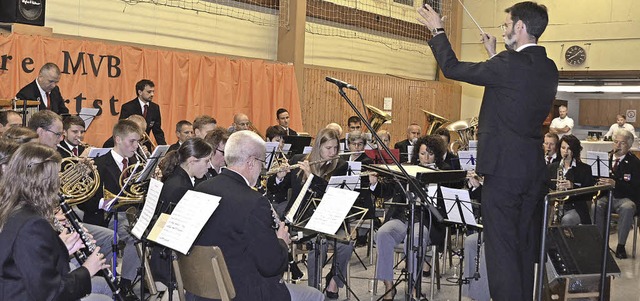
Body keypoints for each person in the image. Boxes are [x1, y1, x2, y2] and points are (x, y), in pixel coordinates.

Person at [418, 2, 559, 300]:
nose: (504, 30)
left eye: (507, 25)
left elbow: (452, 68)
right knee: (521, 247)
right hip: (531, 172)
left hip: (503, 172)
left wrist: (437, 29)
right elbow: (514, 90)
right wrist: (495, 54)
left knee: (502, 251)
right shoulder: (547, 67)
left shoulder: (507, 65)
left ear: (520, 27)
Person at [192, 130, 324, 301]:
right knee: (315, 296)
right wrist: (282, 242)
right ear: (251, 162)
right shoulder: (254, 202)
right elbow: (271, 265)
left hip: (202, 290)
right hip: (242, 292)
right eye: (262, 162)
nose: (262, 168)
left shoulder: (200, 189)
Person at [0, 142, 106, 300]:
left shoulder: (14, 207)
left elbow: (28, 262)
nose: (59, 182)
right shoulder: (32, 224)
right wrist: (87, 270)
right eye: (56, 176)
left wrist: (61, 249)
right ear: (45, 182)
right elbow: (50, 294)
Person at [269, 128, 349, 299]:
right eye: (328, 148)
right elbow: (277, 190)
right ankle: (314, 292)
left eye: (335, 148)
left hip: (328, 219)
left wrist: (311, 177)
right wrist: (280, 177)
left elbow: (330, 195)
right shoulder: (299, 160)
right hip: (299, 220)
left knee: (346, 245)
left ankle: (333, 283)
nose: (332, 152)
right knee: (317, 245)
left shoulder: (340, 166)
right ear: (318, 147)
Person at [374, 135, 450, 300]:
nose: (426, 158)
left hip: (426, 220)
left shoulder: (444, 172)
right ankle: (388, 286)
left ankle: (414, 286)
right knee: (383, 233)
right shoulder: (407, 169)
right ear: (417, 154)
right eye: (423, 154)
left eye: (430, 154)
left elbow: (450, 197)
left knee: (415, 237)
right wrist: (374, 183)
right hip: (402, 217)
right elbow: (387, 190)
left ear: (436, 155)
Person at [78, 119, 143, 298]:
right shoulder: (98, 164)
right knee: (135, 237)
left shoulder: (135, 162)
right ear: (118, 139)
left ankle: (128, 280)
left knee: (144, 232)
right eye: (132, 141)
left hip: (127, 214)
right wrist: (102, 203)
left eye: (138, 141)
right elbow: (84, 202)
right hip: (105, 216)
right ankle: (124, 285)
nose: (136, 146)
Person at [152, 138, 212, 286]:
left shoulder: (178, 178)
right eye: (206, 161)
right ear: (192, 161)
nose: (209, 166)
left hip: (167, 255)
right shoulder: (180, 187)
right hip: (170, 262)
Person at [595, 129, 640, 259]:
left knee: (628, 208)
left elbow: (636, 189)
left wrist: (616, 184)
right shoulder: (605, 159)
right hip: (606, 196)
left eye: (622, 143)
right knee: (595, 205)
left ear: (629, 146)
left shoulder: (635, 163)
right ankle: (600, 243)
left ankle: (621, 245)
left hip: (625, 198)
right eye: (616, 142)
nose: (618, 146)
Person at [545, 135, 595, 225]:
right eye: (563, 148)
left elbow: (589, 194)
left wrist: (573, 186)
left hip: (574, 208)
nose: (565, 151)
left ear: (574, 150)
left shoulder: (584, 169)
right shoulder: (551, 167)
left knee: (567, 219)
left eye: (569, 149)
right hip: (553, 206)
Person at [119, 79, 166, 145]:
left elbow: (157, 131)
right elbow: (122, 128)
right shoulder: (127, 107)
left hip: (146, 146)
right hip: (130, 145)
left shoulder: (155, 107)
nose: (152, 94)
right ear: (140, 92)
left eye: (153, 91)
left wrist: (164, 147)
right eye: (149, 92)